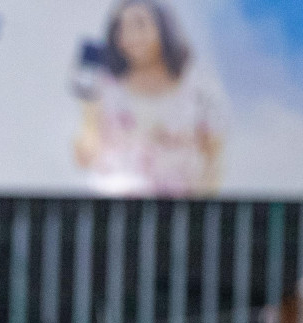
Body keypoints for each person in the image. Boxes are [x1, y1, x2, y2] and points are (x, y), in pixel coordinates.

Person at [73, 0, 225, 196]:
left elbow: (214, 157)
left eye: (139, 24)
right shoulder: (105, 86)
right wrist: (88, 110)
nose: (130, 36)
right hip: (115, 203)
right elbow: (86, 154)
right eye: (122, 27)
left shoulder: (198, 87)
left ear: (163, 28)